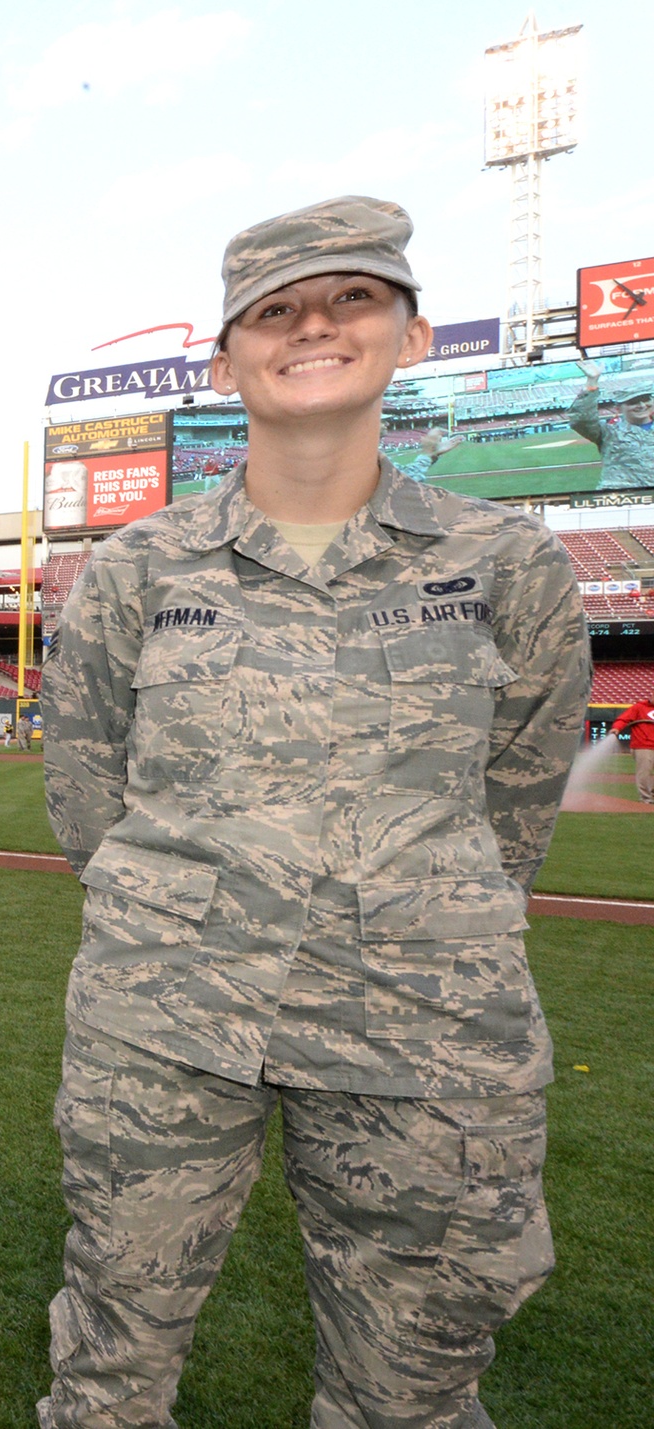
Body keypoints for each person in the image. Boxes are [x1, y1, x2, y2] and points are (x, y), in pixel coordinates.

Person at [39, 197, 589, 1429]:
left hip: (422, 1025)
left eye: (350, 299)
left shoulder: (506, 566)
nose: (312, 329)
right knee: (110, 1370)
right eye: (273, 312)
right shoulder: (136, 570)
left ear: (409, 332)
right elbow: (86, 795)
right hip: (167, 1014)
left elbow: (517, 797)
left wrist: (410, 916)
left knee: (412, 1388)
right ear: (224, 357)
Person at [569, 379, 654, 492]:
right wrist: (591, 386)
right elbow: (581, 421)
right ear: (618, 408)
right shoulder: (609, 432)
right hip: (620, 497)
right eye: (633, 402)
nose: (642, 405)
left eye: (646, 399)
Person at [611, 694, 654, 804]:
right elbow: (623, 719)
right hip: (642, 746)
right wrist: (616, 728)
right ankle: (646, 798)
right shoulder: (639, 707)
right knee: (644, 772)